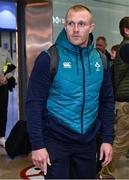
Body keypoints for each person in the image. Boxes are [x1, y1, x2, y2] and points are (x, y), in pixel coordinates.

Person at [26, 4, 114, 179]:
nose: (75, 29)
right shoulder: (49, 58)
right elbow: (33, 102)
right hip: (56, 142)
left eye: (81, 24)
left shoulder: (101, 61)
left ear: (91, 27)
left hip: (88, 142)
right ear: (65, 26)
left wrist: (107, 139)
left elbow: (106, 101)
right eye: (70, 23)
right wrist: (37, 145)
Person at [98, 16, 129, 179]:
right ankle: (104, 172)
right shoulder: (126, 48)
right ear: (126, 31)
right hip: (126, 104)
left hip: (125, 102)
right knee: (120, 143)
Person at [0, 47, 15, 147]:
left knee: (2, 111)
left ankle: (1, 137)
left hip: (2, 86)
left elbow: (11, 66)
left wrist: (6, 77)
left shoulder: (4, 52)